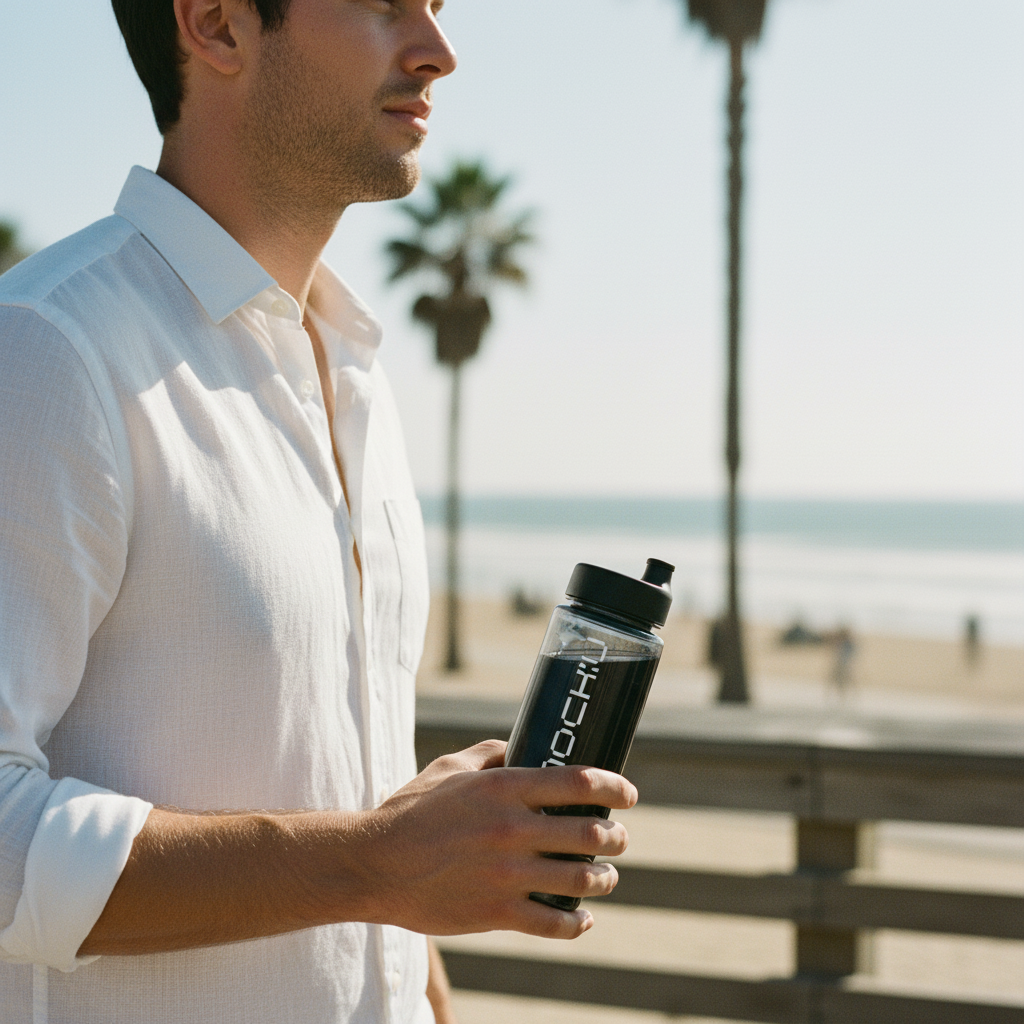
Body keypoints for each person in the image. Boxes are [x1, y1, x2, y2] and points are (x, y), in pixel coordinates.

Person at [0, 3, 636, 1022]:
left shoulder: (349, 370)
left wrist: (410, 902)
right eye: (386, 4)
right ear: (215, 26)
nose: (438, 49)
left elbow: (363, 822)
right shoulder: (45, 351)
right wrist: (375, 861)